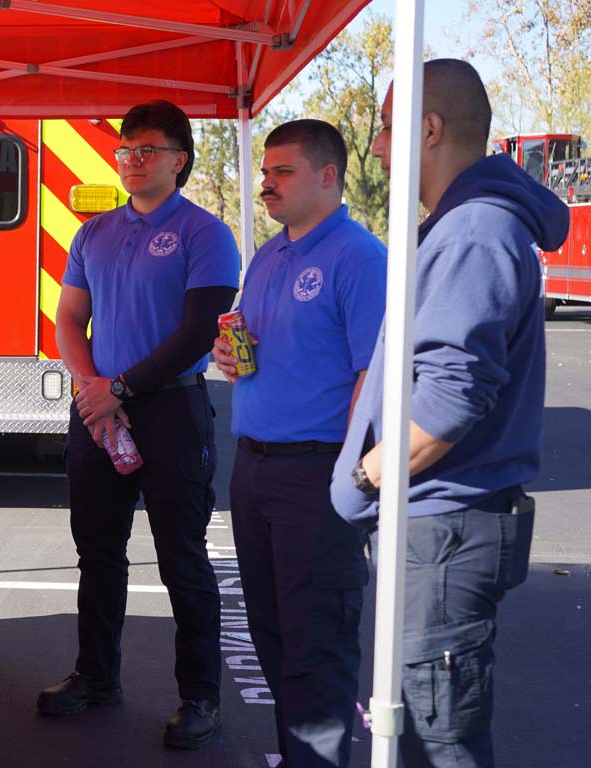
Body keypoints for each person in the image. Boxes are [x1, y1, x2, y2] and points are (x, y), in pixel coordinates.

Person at [331, 59, 569, 767]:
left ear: (428, 130)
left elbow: (450, 399)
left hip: (445, 531)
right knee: (426, 722)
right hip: (439, 528)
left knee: (440, 739)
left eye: (385, 129)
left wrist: (366, 477)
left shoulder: (473, 233)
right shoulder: (460, 225)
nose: (375, 147)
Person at [37, 99, 240, 750]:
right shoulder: (93, 234)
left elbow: (198, 332)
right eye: (124, 150)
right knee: (98, 555)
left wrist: (120, 386)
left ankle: (200, 696)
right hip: (101, 413)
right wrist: (96, 388)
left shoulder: (205, 233)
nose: (130, 160)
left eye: (145, 150)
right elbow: (68, 320)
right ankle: (96, 676)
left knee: (182, 558)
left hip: (171, 410)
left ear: (179, 161)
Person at [212, 120, 387, 766]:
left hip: (320, 475)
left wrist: (350, 475)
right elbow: (252, 341)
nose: (266, 184)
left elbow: (375, 378)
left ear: (328, 176)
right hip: (254, 471)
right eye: (266, 172)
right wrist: (229, 353)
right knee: (274, 640)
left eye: (282, 172)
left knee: (316, 652)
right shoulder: (268, 255)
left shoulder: (359, 257)